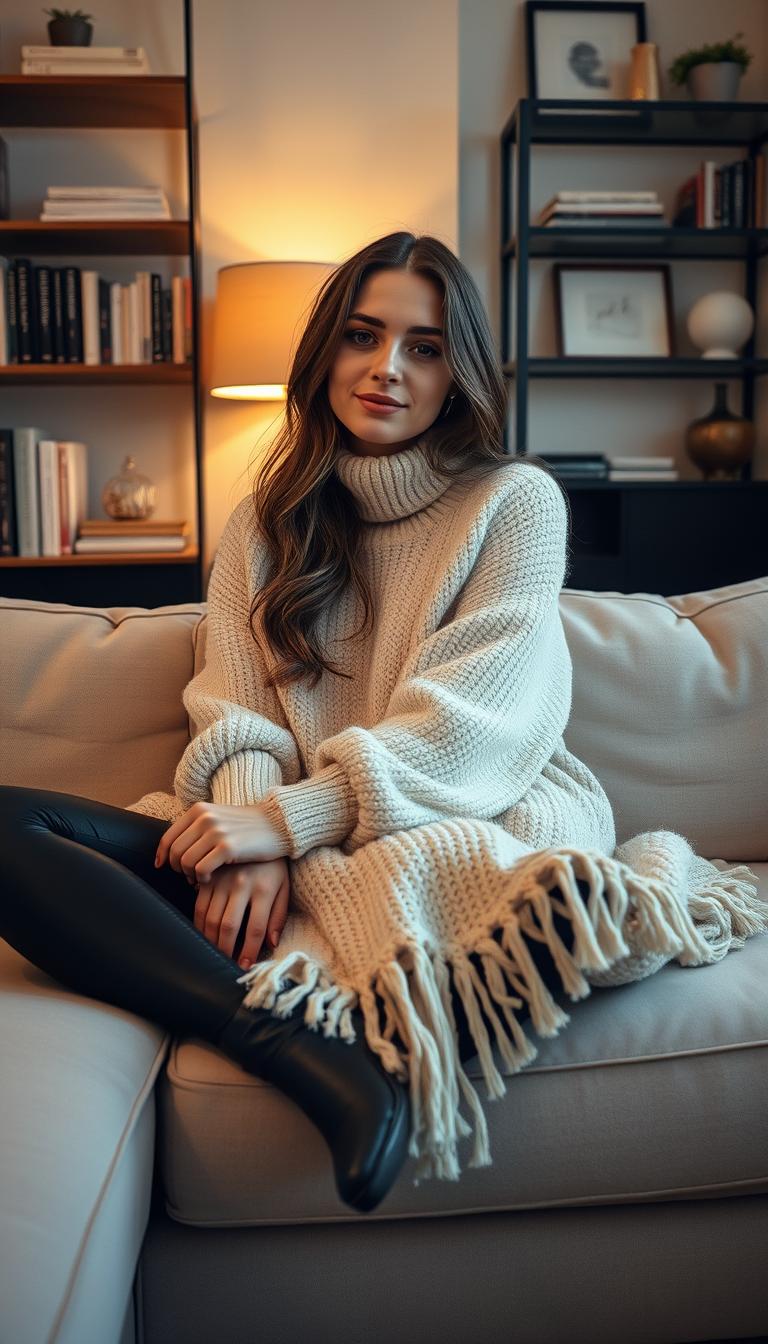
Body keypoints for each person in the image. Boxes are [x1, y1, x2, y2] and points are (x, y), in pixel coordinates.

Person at [0, 231, 622, 1212]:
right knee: (10, 828)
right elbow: (235, 702)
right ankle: (291, 1045)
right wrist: (246, 842)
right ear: (325, 351)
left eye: (423, 347)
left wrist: (287, 823)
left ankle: (301, 1034)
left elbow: (478, 717)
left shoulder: (514, 502)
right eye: (362, 336)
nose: (386, 368)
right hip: (277, 819)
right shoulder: (266, 517)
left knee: (505, 899)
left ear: (457, 373)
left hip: (456, 805)